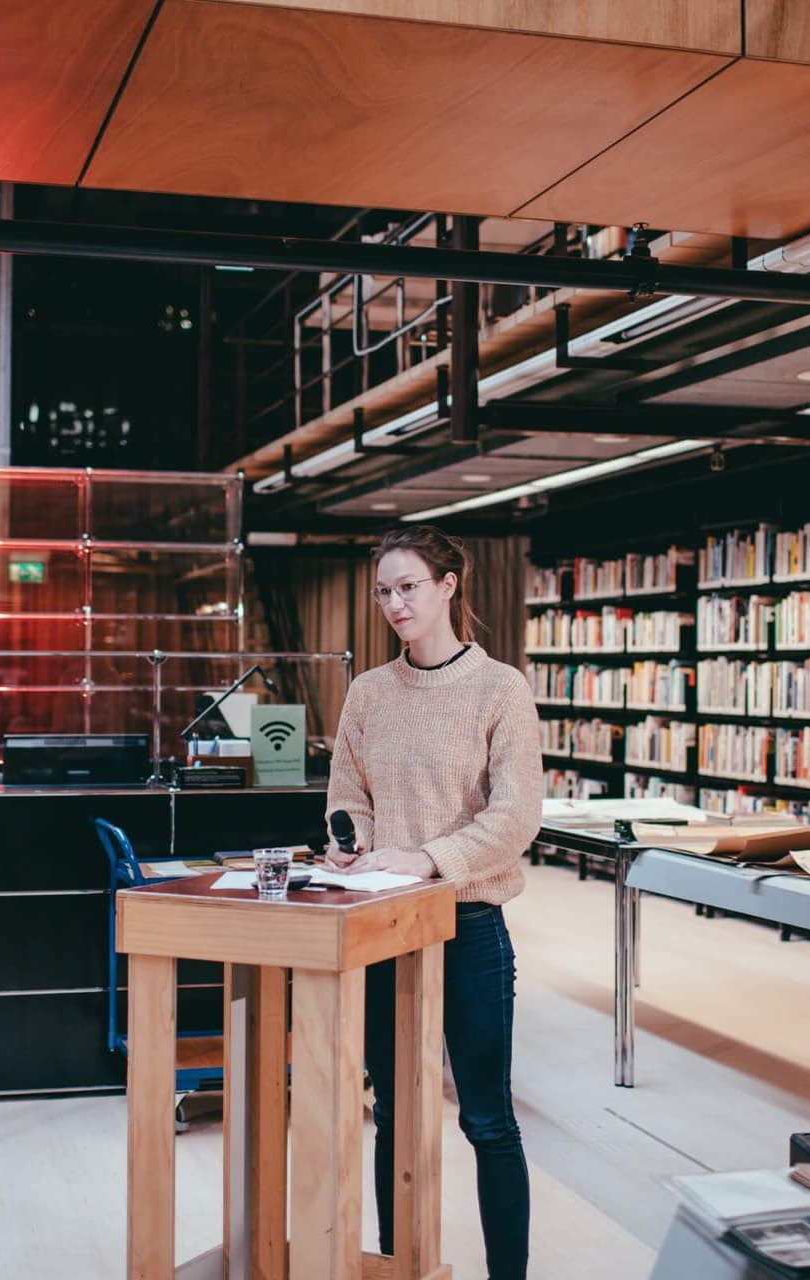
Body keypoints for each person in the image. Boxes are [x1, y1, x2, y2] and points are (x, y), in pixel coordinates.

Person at [326, 525, 543, 1280]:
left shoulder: (500, 689)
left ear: (449, 585)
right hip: (384, 926)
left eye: (408, 586)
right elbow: (349, 795)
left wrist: (425, 858)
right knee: (391, 1112)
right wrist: (349, 840)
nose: (393, 603)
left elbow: (515, 818)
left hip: (469, 925)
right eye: (383, 590)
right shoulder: (369, 692)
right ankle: (398, 1266)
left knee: (487, 1118)